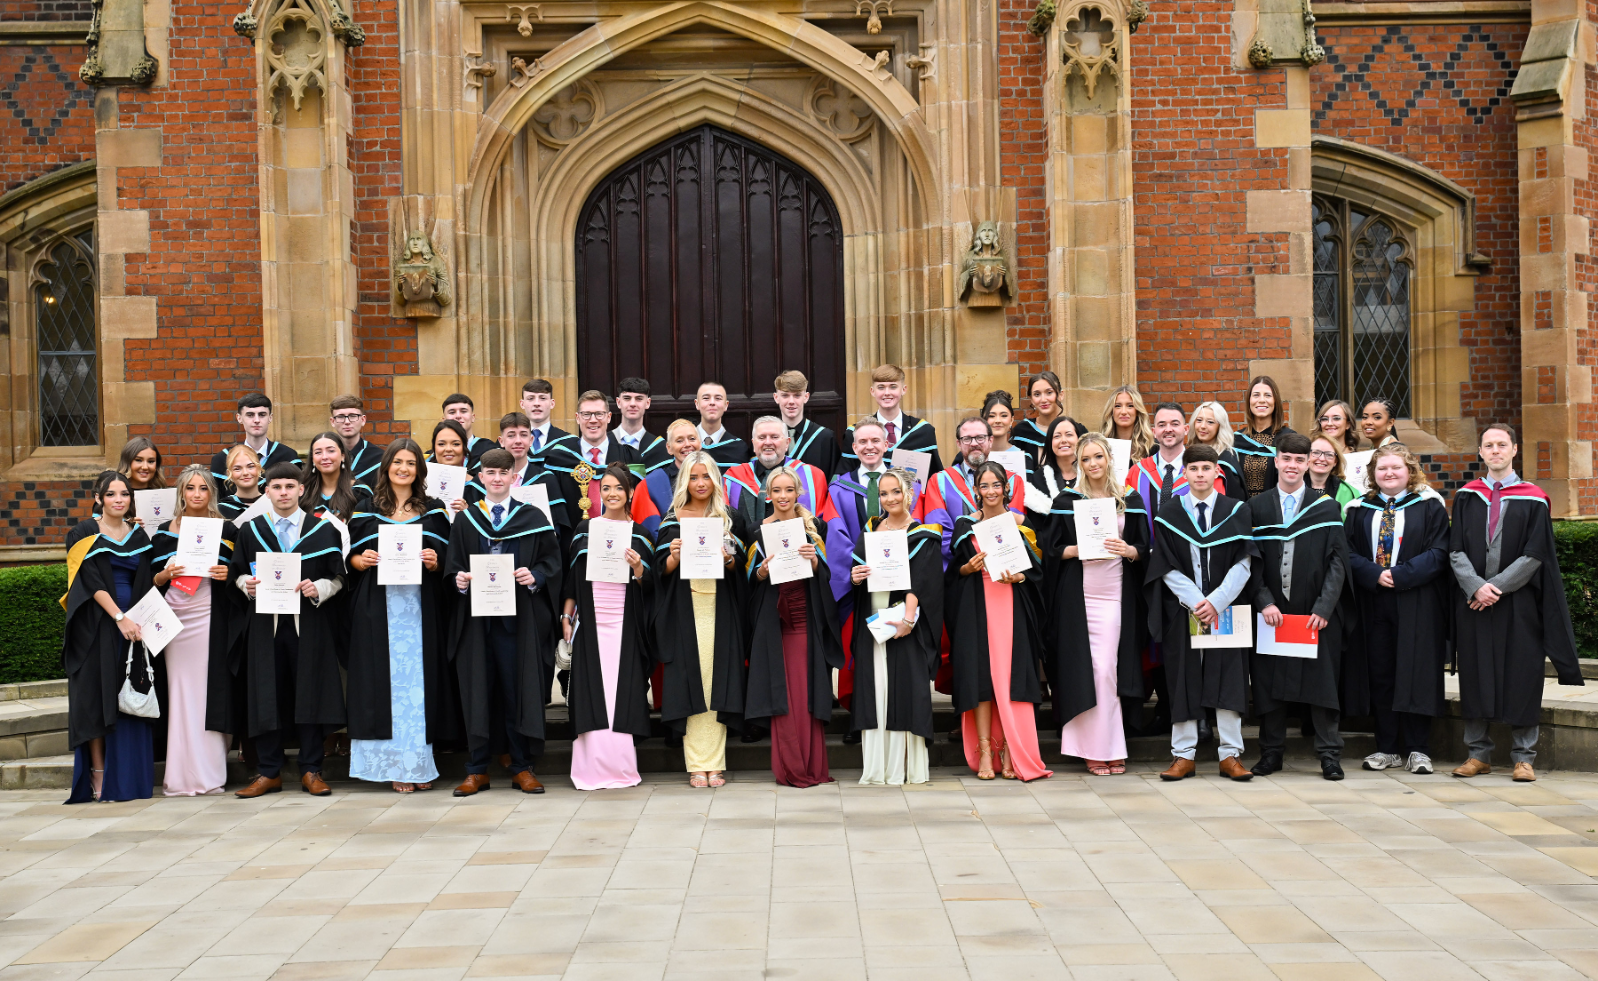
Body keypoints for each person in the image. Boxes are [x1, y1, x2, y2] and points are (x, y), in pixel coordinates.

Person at [1450, 425, 1584, 782]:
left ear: (1514, 450)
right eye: (1489, 445)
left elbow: (1536, 554)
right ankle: (1478, 754)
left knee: (1523, 675)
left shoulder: (1534, 498)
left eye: (1501, 445)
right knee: (1475, 674)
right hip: (1474, 603)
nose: (1495, 451)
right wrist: (1476, 587)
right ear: (1480, 452)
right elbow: (1456, 550)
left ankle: (1524, 757)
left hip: (1519, 604)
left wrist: (1496, 587)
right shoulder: (1467, 495)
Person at [445, 448, 562, 796]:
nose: (496, 479)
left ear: (514, 477)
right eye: (490, 472)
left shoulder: (533, 517)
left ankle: (522, 766)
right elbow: (452, 567)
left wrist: (536, 575)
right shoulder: (467, 520)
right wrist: (459, 580)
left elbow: (552, 562)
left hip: (518, 622)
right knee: (478, 690)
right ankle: (476, 768)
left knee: (518, 691)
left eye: (503, 473)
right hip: (477, 624)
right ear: (480, 477)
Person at [230, 463, 348, 798]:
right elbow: (237, 572)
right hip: (265, 626)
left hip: (307, 625)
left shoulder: (322, 530)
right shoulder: (251, 531)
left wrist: (319, 588)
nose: (283, 492)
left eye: (289, 486)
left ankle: (312, 770)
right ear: (266, 491)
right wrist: (246, 585)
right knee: (266, 694)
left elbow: (338, 577)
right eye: (277, 487)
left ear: (301, 490)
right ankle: (269, 772)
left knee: (309, 693)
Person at [344, 440, 453, 793]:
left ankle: (418, 762)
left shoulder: (434, 510)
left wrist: (436, 562)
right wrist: (363, 561)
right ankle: (391, 765)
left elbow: (447, 557)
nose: (403, 468)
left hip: (420, 607)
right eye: (398, 462)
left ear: (420, 469)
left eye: (411, 463)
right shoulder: (365, 508)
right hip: (378, 606)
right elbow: (350, 560)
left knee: (417, 685)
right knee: (382, 683)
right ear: (387, 466)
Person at [1147, 445, 1256, 781]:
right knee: (1183, 679)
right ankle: (1183, 755)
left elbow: (1246, 562)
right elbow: (1164, 565)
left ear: (1217, 472)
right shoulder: (1170, 513)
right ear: (1184, 473)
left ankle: (1231, 755)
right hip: (1186, 611)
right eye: (1193, 469)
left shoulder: (1236, 511)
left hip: (1226, 610)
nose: (1200, 474)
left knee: (1229, 679)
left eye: (1206, 468)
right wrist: (1197, 601)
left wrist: (1218, 601)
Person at [1245, 432, 1350, 780]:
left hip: (1313, 616)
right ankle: (1271, 754)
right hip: (1273, 616)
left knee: (1322, 684)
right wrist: (1263, 601)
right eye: (1286, 459)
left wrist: (1324, 608)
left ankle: (1329, 755)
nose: (1292, 465)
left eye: (1299, 460)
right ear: (1276, 461)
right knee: (1269, 684)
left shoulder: (1326, 507)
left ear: (1308, 464)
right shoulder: (1257, 508)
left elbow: (1338, 562)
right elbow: (1251, 562)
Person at [1346, 442, 1450, 775]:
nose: (1389, 473)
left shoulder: (1429, 506)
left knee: (1417, 670)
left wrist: (1400, 575)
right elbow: (1346, 552)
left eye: (1396, 468)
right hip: (1374, 600)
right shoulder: (1359, 508)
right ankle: (1387, 747)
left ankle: (1419, 749)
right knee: (1381, 672)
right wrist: (1375, 574)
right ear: (1373, 474)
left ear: (1409, 471)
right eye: (1382, 468)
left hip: (1416, 599)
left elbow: (1439, 552)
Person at [1046, 434, 1146, 776]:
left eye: (1098, 457)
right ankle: (1093, 748)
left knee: (1109, 670)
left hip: (1116, 591)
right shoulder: (1067, 500)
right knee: (1090, 671)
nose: (1093, 464)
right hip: (1080, 594)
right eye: (1086, 459)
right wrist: (1077, 549)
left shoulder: (1128, 499)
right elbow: (1051, 549)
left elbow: (1143, 547)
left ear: (1108, 459)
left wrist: (1129, 550)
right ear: (1079, 463)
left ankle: (1109, 746)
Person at [947, 462, 1051, 781]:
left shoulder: (1022, 524)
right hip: (977, 608)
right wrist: (967, 568)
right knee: (981, 680)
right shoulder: (966, 526)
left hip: (1011, 607)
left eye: (996, 485)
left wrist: (1020, 576)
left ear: (1006, 488)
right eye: (984, 485)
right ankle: (985, 754)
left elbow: (1036, 575)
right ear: (975, 490)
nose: (990, 491)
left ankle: (1009, 752)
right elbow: (953, 573)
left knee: (1009, 679)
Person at [654, 450, 750, 787]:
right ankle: (696, 763)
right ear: (684, 480)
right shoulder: (672, 520)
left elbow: (743, 569)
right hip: (686, 610)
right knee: (690, 683)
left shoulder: (730, 518)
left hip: (721, 611)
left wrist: (729, 559)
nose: (700, 483)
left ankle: (716, 763)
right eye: (693, 477)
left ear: (715, 480)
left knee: (715, 685)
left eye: (705, 476)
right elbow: (659, 572)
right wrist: (673, 556)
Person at [746, 465, 845, 787]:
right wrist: (760, 572)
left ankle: (813, 766)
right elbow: (750, 579)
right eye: (777, 491)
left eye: (789, 490)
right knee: (783, 697)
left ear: (798, 492)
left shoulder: (813, 527)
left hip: (808, 621)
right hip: (776, 626)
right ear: (768, 494)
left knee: (807, 696)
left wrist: (814, 560)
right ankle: (789, 767)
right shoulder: (758, 531)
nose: (783, 496)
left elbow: (827, 575)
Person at [63, 471, 156, 803]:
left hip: (135, 626)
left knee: (130, 697)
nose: (119, 499)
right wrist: (119, 617)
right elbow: (89, 582)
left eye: (125, 494)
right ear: (99, 498)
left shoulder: (139, 535)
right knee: (97, 700)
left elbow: (145, 581)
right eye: (112, 494)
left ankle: (129, 777)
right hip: (99, 625)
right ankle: (98, 772)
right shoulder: (83, 533)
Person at [845, 468, 941, 785]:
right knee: (876, 689)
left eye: (896, 492)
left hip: (903, 620)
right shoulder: (872, 529)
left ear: (908, 493)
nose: (890, 499)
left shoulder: (923, 533)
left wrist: (909, 618)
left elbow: (924, 581)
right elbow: (858, 570)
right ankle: (877, 768)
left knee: (904, 689)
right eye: (884, 493)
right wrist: (855, 576)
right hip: (875, 621)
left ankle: (905, 768)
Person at [561, 464, 654, 790]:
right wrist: (567, 617)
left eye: (619, 488)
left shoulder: (640, 533)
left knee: (621, 694)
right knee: (592, 694)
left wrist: (639, 566)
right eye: (607, 488)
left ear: (629, 492)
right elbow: (572, 580)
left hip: (625, 624)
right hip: (592, 622)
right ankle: (590, 768)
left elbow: (651, 583)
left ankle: (621, 766)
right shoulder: (586, 530)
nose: (612, 493)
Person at [149, 464, 237, 796]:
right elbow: (152, 580)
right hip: (175, 618)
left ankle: (209, 773)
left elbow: (241, 572)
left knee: (209, 691)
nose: (197, 494)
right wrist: (166, 574)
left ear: (211, 493)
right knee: (180, 693)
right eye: (190, 488)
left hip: (209, 615)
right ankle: (181, 775)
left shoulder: (227, 529)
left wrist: (226, 574)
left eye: (203, 488)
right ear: (181, 492)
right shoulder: (163, 531)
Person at [923, 417, 1025, 562]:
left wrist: (996, 559)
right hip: (960, 568)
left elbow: (1015, 526)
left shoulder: (1013, 481)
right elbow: (939, 531)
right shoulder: (939, 481)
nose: (974, 444)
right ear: (958, 443)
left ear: (991, 440)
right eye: (967, 439)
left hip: (1003, 564)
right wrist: (967, 560)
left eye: (980, 438)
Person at [727, 416, 838, 526]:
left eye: (774, 437)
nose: (768, 442)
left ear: (787, 443)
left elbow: (825, 522)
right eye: (761, 437)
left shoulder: (813, 476)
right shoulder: (732, 478)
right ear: (754, 444)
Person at [838, 363, 943, 475]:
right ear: (872, 391)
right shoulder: (856, 433)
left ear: (903, 389)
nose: (887, 393)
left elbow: (934, 479)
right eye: (881, 387)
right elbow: (844, 480)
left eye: (893, 387)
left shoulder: (922, 432)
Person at [570, 390, 643, 518]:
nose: (593, 420)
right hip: (573, 536)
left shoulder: (630, 457)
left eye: (599, 414)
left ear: (609, 417)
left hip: (619, 533)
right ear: (577, 418)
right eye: (586, 414)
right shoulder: (561, 458)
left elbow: (638, 505)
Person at [209, 393, 302, 489]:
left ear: (270, 418)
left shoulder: (288, 457)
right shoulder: (223, 459)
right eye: (250, 415)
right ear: (239, 418)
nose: (256, 420)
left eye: (262, 415)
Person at [1233, 375, 1296, 499]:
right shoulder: (1236, 440)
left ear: (1275, 401)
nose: (1261, 400)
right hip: (1242, 511)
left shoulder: (1288, 439)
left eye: (1267, 395)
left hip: (1276, 510)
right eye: (1256, 395)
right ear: (1249, 401)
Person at [773, 369, 842, 476]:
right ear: (776, 398)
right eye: (785, 395)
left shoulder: (825, 438)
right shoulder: (765, 439)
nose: (791, 401)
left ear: (806, 397)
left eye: (797, 395)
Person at [640, 419, 700, 538]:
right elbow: (649, 529)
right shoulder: (652, 484)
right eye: (679, 440)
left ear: (700, 443)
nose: (687, 444)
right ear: (669, 448)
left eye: (692, 439)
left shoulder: (714, 478)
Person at [301, 432, 365, 522]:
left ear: (343, 456)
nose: (324, 457)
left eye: (331, 451)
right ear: (312, 459)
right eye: (318, 452)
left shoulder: (360, 491)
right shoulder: (302, 491)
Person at [1188, 401, 1244, 500]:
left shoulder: (1226, 460)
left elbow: (1235, 500)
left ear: (1220, 426)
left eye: (1210, 422)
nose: (1203, 426)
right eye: (1199, 420)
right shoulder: (1189, 454)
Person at [328, 395, 382, 494]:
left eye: (353, 416)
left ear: (363, 420)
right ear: (333, 421)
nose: (347, 422)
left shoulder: (380, 459)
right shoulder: (323, 458)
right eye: (340, 417)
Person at [613, 376, 670, 472]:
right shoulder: (604, 444)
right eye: (627, 398)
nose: (632, 404)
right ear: (618, 402)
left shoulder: (660, 448)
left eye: (639, 399)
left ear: (648, 403)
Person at [694, 380, 749, 473]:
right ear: (697, 404)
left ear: (726, 405)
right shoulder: (684, 446)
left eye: (718, 398)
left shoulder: (738, 448)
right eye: (706, 398)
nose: (712, 402)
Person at [1011, 370, 1065, 464]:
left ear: (1060, 395)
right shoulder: (1022, 432)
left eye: (1049, 392)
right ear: (1031, 399)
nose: (1043, 400)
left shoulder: (1075, 431)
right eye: (1037, 394)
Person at [520, 377, 576, 465]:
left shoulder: (568, 443)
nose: (536, 404)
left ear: (552, 403)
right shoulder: (510, 443)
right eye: (530, 398)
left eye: (542, 398)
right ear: (522, 404)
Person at [1032, 415, 1084, 502]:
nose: (1063, 440)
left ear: (1078, 439)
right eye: (1057, 436)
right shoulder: (1039, 478)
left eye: (1069, 434)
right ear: (1050, 442)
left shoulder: (1090, 474)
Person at [1305, 433, 1360, 511]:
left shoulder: (1349, 493)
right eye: (1316, 453)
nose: (1322, 458)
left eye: (1329, 454)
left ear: (1335, 461)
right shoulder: (1292, 487)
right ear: (1306, 456)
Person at [428, 419, 472, 516]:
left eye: (456, 444)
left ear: (464, 448)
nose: (448, 449)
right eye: (441, 444)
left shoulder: (477, 488)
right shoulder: (420, 484)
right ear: (434, 448)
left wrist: (468, 515)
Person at [1101, 385, 1153, 462]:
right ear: (1111, 411)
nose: (1124, 412)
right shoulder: (1100, 446)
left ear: (1137, 411)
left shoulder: (1152, 448)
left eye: (1130, 406)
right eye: (1118, 406)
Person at [217, 444, 263, 521]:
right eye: (237, 469)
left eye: (250, 466)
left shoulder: (272, 505)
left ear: (259, 469)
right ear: (229, 474)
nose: (245, 473)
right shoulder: (221, 511)